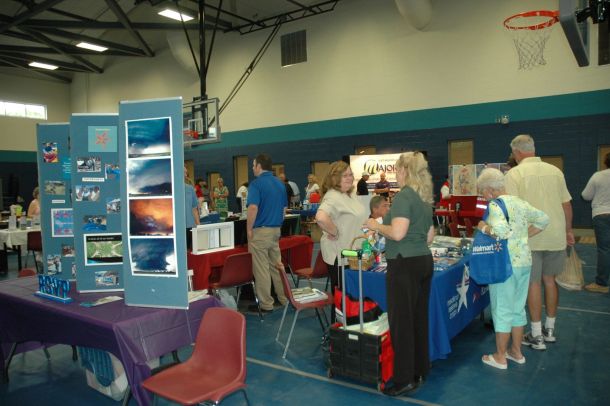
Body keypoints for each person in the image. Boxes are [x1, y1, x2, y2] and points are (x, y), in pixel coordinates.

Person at [365, 152, 435, 396]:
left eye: (397, 169)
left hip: (404, 264)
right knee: (418, 318)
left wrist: (376, 225)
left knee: (401, 323)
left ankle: (404, 379)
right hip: (423, 260)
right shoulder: (424, 198)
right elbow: (429, 236)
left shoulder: (404, 196)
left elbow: (397, 233)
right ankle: (420, 370)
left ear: (404, 170)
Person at [505, 134, 575, 349]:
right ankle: (550, 330)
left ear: (517, 152)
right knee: (550, 281)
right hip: (555, 235)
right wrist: (568, 231)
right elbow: (566, 205)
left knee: (532, 283)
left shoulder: (514, 174)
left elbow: (512, 209)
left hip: (530, 236)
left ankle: (536, 334)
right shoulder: (555, 171)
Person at [476, 168, 549, 370]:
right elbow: (544, 219)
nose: (483, 197)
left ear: (490, 190)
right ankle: (516, 352)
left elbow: (501, 232)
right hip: (524, 261)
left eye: (483, 192)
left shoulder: (495, 205)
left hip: (505, 264)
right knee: (517, 308)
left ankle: (500, 356)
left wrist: (483, 227)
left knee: (501, 309)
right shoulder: (520, 202)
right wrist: (524, 236)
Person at [315, 161, 367, 321]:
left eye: (351, 174)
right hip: (341, 255)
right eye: (345, 175)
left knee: (352, 296)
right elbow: (320, 217)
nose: (350, 178)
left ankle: (350, 326)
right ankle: (338, 330)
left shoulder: (350, 194)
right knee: (342, 297)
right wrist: (334, 231)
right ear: (335, 178)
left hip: (355, 254)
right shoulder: (333, 196)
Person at [247, 154, 288, 313]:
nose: (252, 168)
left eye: (253, 165)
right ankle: (284, 298)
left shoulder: (256, 184)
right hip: (275, 229)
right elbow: (284, 209)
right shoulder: (280, 184)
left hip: (261, 231)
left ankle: (266, 304)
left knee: (261, 269)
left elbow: (253, 208)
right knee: (277, 266)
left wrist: (249, 229)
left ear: (259, 166)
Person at [581, 152, 610, 294]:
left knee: (604, 249)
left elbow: (586, 195)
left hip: (601, 214)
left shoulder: (598, 176)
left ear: (605, 162)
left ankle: (602, 283)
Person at [184, 167, 200, 251]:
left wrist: (198, 225)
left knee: (189, 251)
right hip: (177, 228)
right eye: (184, 172)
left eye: (186, 173)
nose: (186, 175)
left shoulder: (190, 188)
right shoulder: (171, 189)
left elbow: (194, 209)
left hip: (190, 225)